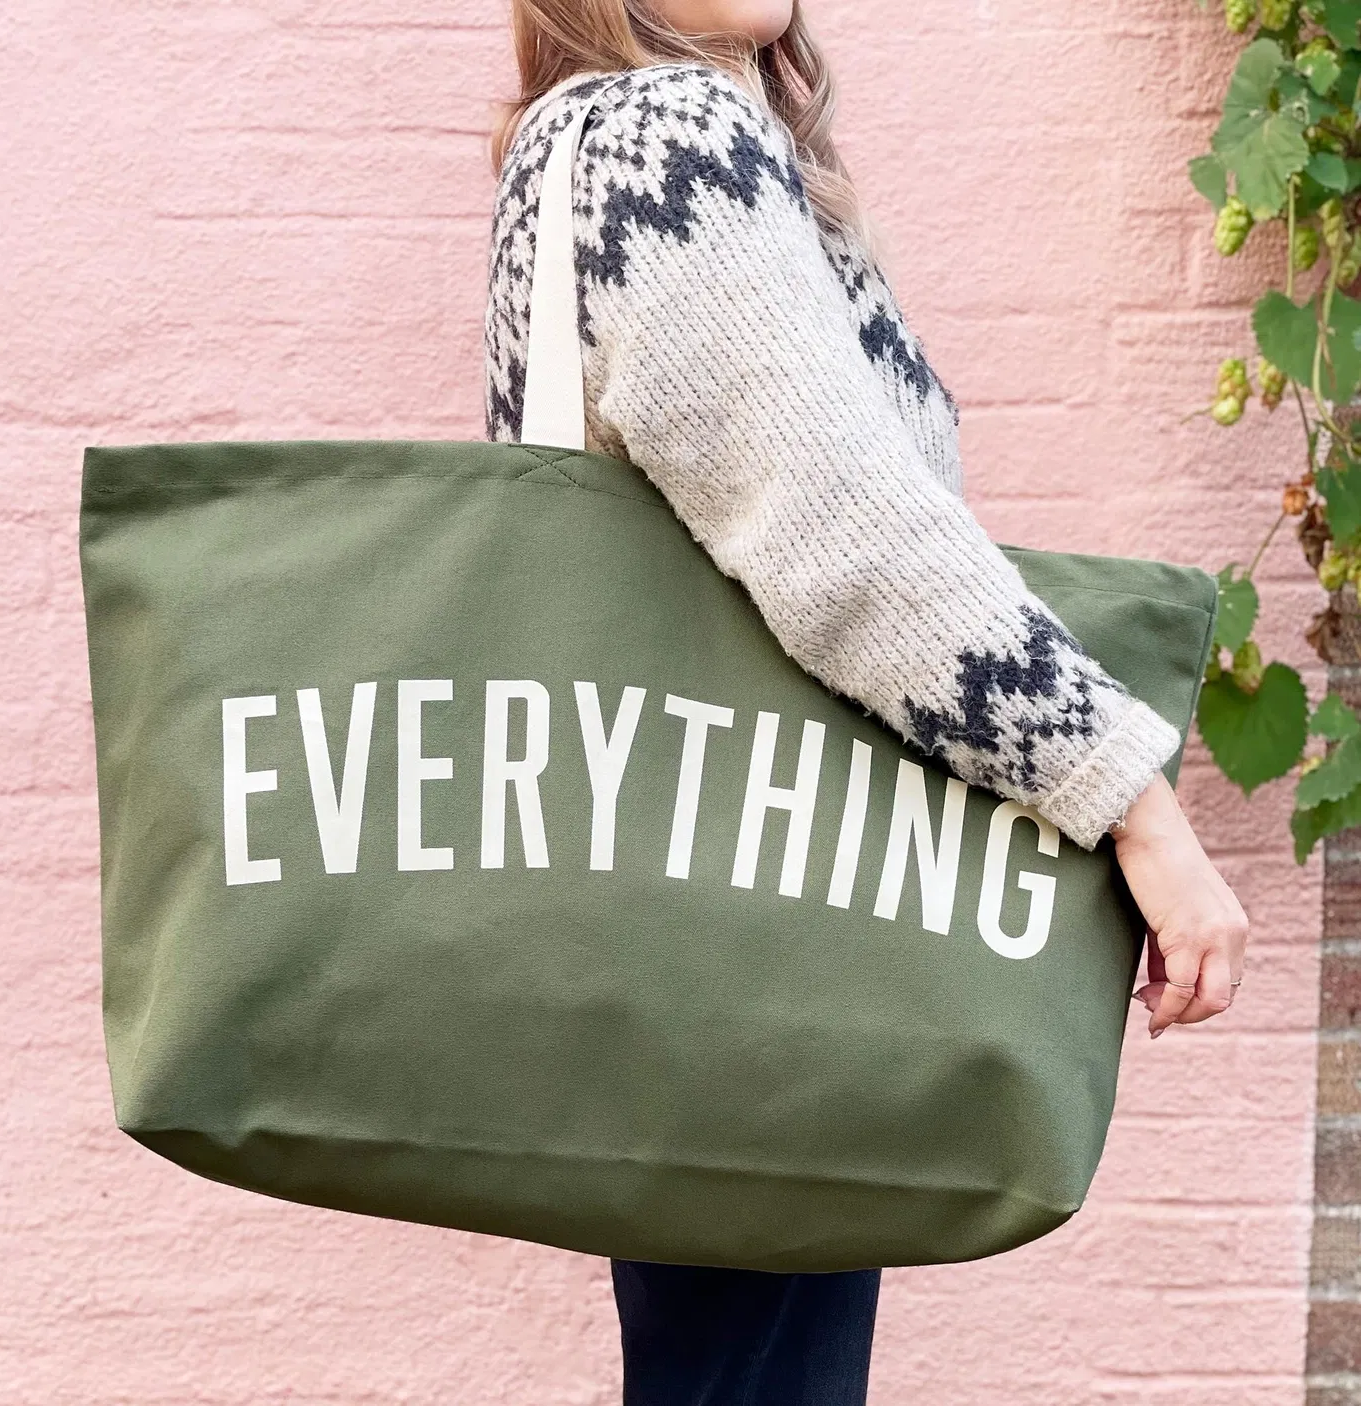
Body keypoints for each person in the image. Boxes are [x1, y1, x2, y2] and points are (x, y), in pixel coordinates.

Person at [483, 2, 1250, 1401]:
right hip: (766, 912)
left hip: (675, 901)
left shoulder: (574, 141)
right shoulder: (668, 137)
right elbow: (851, 543)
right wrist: (1132, 804)